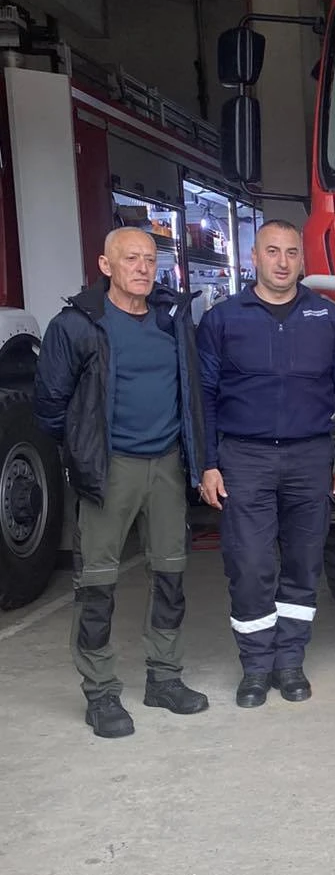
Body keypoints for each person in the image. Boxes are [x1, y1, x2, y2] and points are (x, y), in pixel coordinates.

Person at [33, 227, 208, 738]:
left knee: (171, 575)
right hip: (110, 468)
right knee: (97, 583)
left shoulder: (171, 318)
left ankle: (165, 678)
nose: (143, 268)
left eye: (150, 259)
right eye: (130, 258)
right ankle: (101, 692)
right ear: (105, 265)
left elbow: (191, 390)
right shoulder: (77, 325)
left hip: (167, 465)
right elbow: (50, 405)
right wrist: (84, 450)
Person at [196, 219, 335, 707]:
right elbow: (203, 397)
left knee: (304, 562)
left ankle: (289, 662)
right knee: (249, 564)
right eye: (272, 251)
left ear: (302, 260)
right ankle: (255, 666)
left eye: (292, 252)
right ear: (253, 258)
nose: (283, 262)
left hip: (310, 455)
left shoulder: (328, 318)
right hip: (243, 456)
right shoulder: (223, 319)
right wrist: (207, 463)